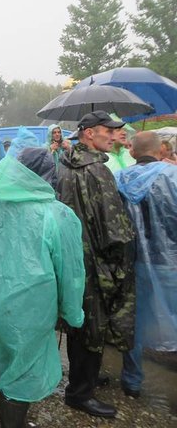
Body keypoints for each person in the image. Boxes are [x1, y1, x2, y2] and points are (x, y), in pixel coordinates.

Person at [0, 150, 85, 428]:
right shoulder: (57, 214)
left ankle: (10, 419)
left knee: (7, 366)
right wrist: (72, 313)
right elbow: (70, 272)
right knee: (23, 374)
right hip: (33, 313)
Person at [56, 110, 136, 418]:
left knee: (78, 321)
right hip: (96, 264)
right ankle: (80, 392)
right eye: (108, 130)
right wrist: (121, 266)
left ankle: (83, 379)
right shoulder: (98, 171)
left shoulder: (64, 165)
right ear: (89, 133)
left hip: (72, 259)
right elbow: (115, 229)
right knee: (94, 325)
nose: (113, 136)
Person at [116, 131, 177, 398]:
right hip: (170, 262)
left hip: (133, 262)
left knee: (135, 322)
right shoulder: (173, 176)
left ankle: (132, 381)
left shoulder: (119, 179)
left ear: (132, 151)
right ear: (161, 149)